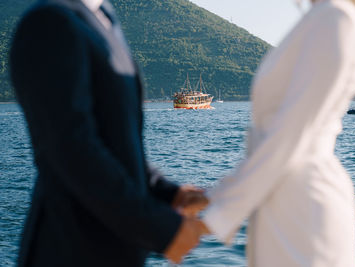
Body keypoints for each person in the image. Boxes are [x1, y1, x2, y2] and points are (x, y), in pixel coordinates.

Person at [9, 0, 207, 266]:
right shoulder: (49, 22)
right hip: (70, 253)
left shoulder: (104, 18)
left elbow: (115, 142)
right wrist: (161, 228)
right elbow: (72, 149)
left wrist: (168, 192)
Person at [197, 0, 355, 266]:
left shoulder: (337, 19)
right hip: (277, 211)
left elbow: (289, 136)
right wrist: (212, 196)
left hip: (306, 217)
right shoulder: (316, 19)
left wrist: (211, 220)